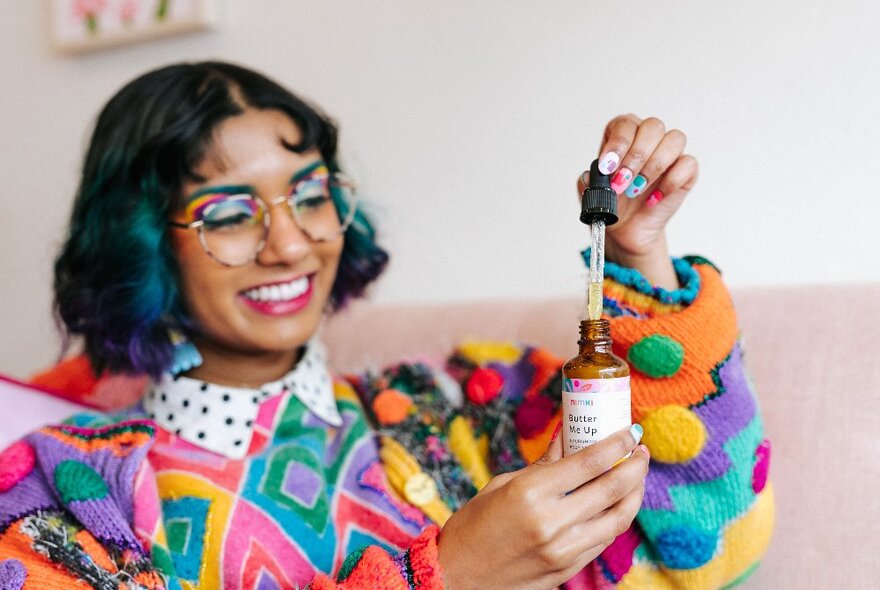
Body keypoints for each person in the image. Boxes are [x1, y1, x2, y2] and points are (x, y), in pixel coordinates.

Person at [0, 62, 773, 589]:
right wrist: (451, 573)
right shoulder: (66, 492)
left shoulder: (466, 399)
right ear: (137, 242)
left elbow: (715, 547)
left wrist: (639, 253)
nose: (292, 243)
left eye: (311, 195)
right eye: (229, 214)